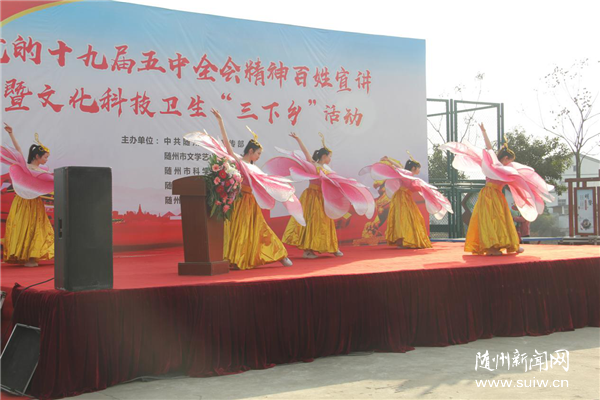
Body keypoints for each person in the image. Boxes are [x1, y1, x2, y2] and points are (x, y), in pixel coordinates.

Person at [184, 110, 304, 270]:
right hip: (238, 201)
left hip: (250, 202)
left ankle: (280, 255)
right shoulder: (239, 161)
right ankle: (235, 258)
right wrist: (220, 121)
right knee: (236, 230)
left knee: (259, 228)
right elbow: (227, 147)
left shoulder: (254, 168)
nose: (259, 156)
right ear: (250, 151)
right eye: (258, 153)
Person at [441, 123, 554, 255]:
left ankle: (512, 245)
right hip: (488, 196)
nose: (510, 163)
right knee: (489, 221)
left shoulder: (508, 170)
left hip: (498, 196)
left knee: (503, 220)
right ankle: (491, 248)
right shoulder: (493, 164)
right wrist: (484, 132)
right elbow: (489, 148)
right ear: (505, 158)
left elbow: (520, 182)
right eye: (509, 160)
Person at [263, 132, 375, 258]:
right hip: (311, 197)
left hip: (322, 197)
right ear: (324, 156)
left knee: (325, 222)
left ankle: (332, 247)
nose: (330, 159)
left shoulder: (327, 169)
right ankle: (307, 250)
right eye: (329, 157)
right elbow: (305, 152)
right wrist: (298, 139)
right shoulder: (313, 164)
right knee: (311, 222)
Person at [360, 152, 453, 249]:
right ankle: (405, 240)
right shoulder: (406, 174)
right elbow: (398, 167)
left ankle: (406, 240)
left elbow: (399, 168)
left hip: (405, 197)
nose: (419, 170)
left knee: (409, 218)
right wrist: (388, 160)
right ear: (413, 168)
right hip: (401, 198)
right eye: (418, 168)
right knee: (403, 218)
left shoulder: (410, 176)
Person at [1, 123, 54, 267]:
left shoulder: (44, 171)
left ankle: (32, 257)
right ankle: (22, 255)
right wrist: (11, 133)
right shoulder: (26, 167)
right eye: (45, 157)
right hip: (22, 202)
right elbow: (18, 150)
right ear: (37, 156)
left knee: (35, 228)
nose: (46, 160)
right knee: (22, 226)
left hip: (35, 202)